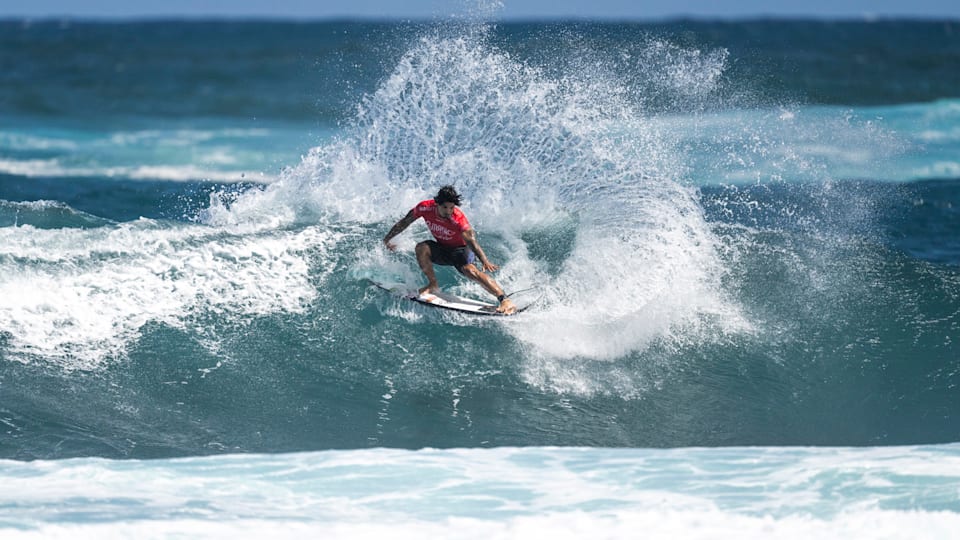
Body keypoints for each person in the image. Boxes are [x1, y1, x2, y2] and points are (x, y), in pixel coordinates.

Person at [383, 185, 517, 314]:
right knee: (421, 248)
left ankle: (504, 299)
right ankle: (432, 285)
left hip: (461, 250)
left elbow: (471, 241)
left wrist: (484, 260)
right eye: (445, 207)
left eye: (452, 207)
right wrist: (387, 239)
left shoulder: (458, 219)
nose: (448, 211)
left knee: (470, 271)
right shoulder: (425, 208)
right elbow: (405, 222)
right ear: (437, 204)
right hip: (442, 248)